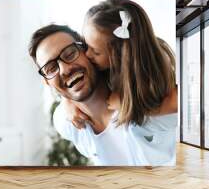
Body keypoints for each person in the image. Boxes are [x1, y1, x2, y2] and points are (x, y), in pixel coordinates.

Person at [28, 24, 176, 166]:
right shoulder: (64, 122)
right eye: (50, 68)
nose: (64, 70)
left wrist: (135, 106)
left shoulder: (150, 103)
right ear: (47, 82)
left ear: (88, 51)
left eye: (70, 53)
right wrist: (66, 99)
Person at [64, 0, 178, 130]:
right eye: (85, 45)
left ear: (120, 55)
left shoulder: (157, 64)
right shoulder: (99, 64)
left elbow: (176, 102)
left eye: (95, 52)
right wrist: (68, 102)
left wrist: (130, 106)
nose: (87, 55)